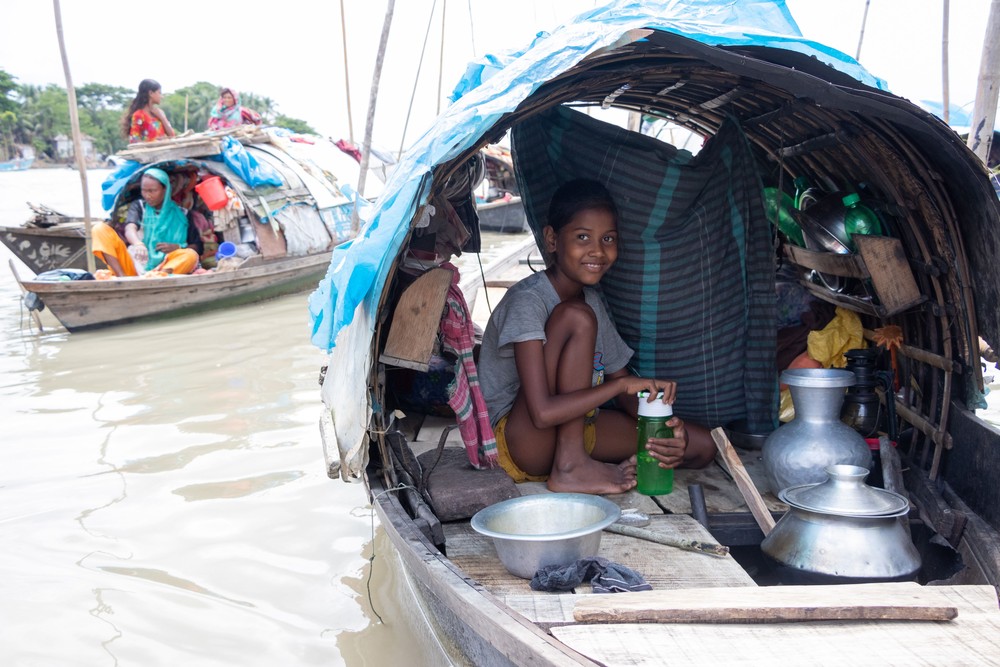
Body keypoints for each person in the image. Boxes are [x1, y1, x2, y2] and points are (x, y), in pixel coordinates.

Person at [478, 178, 716, 494]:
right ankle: (570, 466)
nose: (598, 251)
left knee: (702, 446)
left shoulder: (591, 301)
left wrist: (661, 426)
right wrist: (620, 386)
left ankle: (577, 460)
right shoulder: (528, 301)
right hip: (522, 442)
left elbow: (624, 383)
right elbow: (543, 413)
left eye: (608, 238)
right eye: (582, 237)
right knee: (575, 317)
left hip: (579, 428)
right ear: (552, 239)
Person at [91, 168, 201, 277]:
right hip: (134, 267)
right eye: (144, 190)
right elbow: (130, 228)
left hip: (166, 268)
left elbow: (198, 246)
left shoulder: (183, 214)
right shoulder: (139, 206)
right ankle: (122, 278)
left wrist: (178, 247)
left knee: (190, 255)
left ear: (165, 190)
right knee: (99, 229)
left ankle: (156, 276)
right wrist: (138, 244)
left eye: (152, 191)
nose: (147, 195)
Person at [122, 79, 175, 144]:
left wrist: (162, 118)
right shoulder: (139, 115)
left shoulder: (160, 113)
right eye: (159, 93)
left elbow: (172, 136)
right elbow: (134, 140)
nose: (161, 96)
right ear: (151, 93)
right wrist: (152, 143)